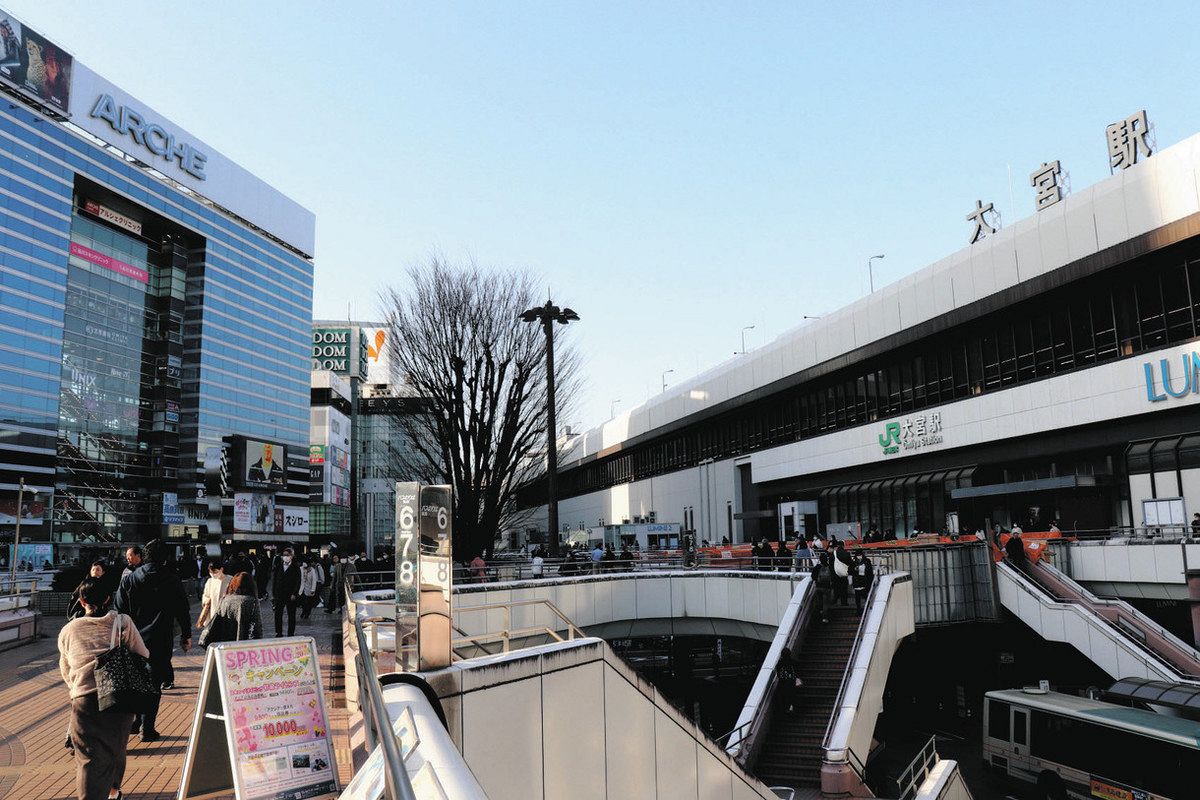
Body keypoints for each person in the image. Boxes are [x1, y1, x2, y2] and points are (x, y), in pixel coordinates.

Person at [59, 577, 148, 800]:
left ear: (81, 602)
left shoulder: (69, 630)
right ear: (109, 598)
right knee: (116, 748)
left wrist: (76, 686)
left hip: (84, 699)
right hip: (120, 696)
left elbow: (65, 667)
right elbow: (143, 654)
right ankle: (113, 791)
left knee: (88, 758)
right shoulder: (122, 622)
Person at [114, 539, 190, 740]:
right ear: (165, 558)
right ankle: (147, 727)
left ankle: (137, 721)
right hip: (160, 639)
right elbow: (183, 609)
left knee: (137, 680)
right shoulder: (172, 580)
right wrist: (186, 634)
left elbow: (119, 611)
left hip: (133, 639)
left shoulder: (129, 580)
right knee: (154, 683)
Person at [200, 572, 263, 645]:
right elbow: (257, 626)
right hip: (244, 646)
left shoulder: (224, 600)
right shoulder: (252, 601)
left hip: (225, 645)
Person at [269, 548, 301, 637]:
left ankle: (291, 633)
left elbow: (298, 582)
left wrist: (294, 593)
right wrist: (273, 594)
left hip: (291, 595)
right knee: (278, 615)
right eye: (284, 555)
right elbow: (274, 581)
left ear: (291, 556)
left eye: (287, 555)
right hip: (279, 594)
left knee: (291, 615)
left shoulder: (295, 567)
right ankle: (278, 632)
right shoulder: (278, 566)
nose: (285, 557)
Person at [194, 561, 230, 631]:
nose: (213, 574)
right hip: (213, 612)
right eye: (211, 573)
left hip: (226, 613)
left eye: (215, 572)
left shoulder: (230, 579)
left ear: (221, 569)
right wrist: (206, 600)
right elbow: (205, 595)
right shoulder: (210, 581)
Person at [812, 552, 833, 623]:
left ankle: (819, 614)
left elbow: (813, 577)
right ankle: (825, 617)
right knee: (826, 603)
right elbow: (832, 577)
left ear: (820, 559)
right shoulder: (829, 567)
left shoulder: (817, 567)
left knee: (819, 601)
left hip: (818, 587)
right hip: (827, 587)